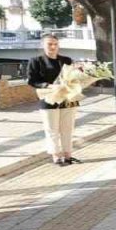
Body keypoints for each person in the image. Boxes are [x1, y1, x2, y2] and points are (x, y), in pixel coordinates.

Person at [27, 34, 80, 166]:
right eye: (49, 44)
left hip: (67, 97)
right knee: (52, 129)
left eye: (55, 44)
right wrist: (49, 86)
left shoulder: (66, 60)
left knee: (67, 128)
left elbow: (74, 78)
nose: (53, 47)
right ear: (43, 46)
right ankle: (56, 156)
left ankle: (68, 155)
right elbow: (32, 81)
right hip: (48, 98)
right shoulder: (36, 61)